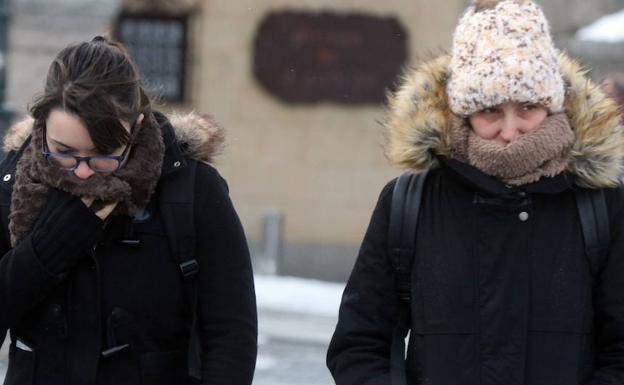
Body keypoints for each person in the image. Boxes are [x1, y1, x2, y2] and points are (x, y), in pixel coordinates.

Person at [327, 1, 624, 384]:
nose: (510, 130)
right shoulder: (408, 203)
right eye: (490, 112)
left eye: (528, 107)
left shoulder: (601, 203)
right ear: (463, 113)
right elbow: (360, 344)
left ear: (554, 107)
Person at [0, 36, 257, 385]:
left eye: (103, 153)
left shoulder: (191, 189)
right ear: (41, 124)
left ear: (135, 127)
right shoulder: (15, 184)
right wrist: (51, 244)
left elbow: (231, 334)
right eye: (64, 151)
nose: (82, 171)